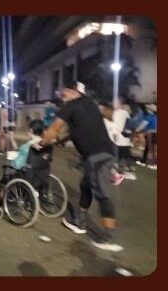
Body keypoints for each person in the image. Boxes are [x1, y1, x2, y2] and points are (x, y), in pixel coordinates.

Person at [40, 80, 122, 252]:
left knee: (102, 194)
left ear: (73, 92)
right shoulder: (90, 104)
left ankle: (108, 236)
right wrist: (63, 140)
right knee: (86, 185)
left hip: (96, 155)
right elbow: (80, 128)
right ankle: (78, 220)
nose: (63, 98)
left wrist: (43, 141)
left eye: (64, 94)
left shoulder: (70, 106)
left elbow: (55, 127)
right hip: (105, 152)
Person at [0, 119, 53, 209]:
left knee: (5, 176)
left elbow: (18, 164)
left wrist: (11, 163)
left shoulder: (27, 147)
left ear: (31, 131)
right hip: (42, 176)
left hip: (27, 177)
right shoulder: (46, 146)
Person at [98, 100, 126, 186]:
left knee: (103, 162)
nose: (101, 110)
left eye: (103, 109)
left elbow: (113, 134)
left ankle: (116, 175)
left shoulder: (106, 122)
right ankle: (116, 176)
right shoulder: (109, 121)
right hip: (110, 144)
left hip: (108, 144)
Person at [142, 104, 157, 170]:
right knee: (154, 148)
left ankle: (152, 163)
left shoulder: (148, 117)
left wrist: (137, 131)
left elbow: (142, 125)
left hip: (150, 134)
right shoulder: (156, 117)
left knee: (150, 148)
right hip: (156, 134)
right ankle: (149, 161)